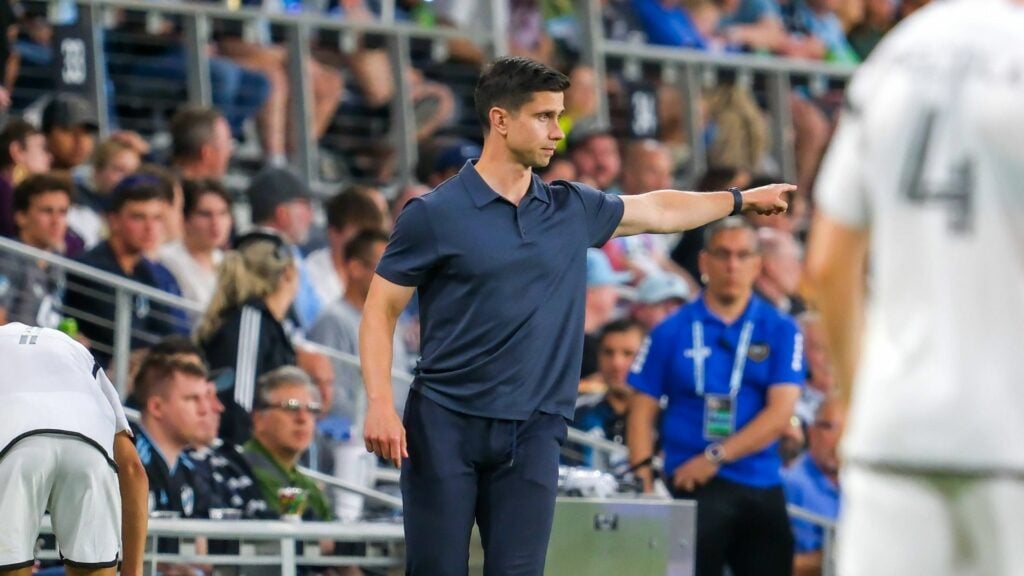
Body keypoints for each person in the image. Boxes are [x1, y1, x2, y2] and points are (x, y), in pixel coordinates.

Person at [359, 56, 792, 575]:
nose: (557, 133)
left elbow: (658, 209)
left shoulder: (571, 208)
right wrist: (380, 403)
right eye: (544, 117)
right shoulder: (433, 214)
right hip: (445, 423)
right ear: (500, 120)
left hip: (537, 428)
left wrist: (741, 200)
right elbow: (379, 311)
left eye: (559, 117)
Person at [804, 2, 1024, 574]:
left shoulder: (893, 58)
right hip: (1009, 438)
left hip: (893, 433)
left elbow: (827, 262)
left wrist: (856, 393)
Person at [627, 217, 805, 576]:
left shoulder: (781, 328)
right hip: (688, 486)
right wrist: (645, 484)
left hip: (757, 481)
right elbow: (640, 411)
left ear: (758, 264)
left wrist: (715, 457)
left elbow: (780, 412)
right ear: (704, 262)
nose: (732, 265)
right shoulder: (671, 330)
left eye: (743, 255)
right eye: (723, 254)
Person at [0, 323, 148, 576]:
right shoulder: (78, 353)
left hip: (12, 443)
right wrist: (133, 571)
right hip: (89, 450)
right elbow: (133, 469)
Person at [63, 174, 189, 366]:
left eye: (157, 218)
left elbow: (174, 331)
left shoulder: (147, 269)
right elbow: (123, 338)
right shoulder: (91, 269)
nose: (150, 228)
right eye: (139, 217)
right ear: (113, 220)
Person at [243, 366, 332, 522]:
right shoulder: (242, 472)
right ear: (259, 420)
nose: (303, 419)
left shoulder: (306, 484)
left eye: (311, 409)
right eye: (291, 407)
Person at [571, 318, 646, 469]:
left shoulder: (666, 419)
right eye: (608, 352)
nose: (616, 363)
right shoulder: (577, 415)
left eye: (628, 353)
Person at [0, 172, 71, 328]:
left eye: (63, 212)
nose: (56, 221)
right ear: (21, 217)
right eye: (47, 211)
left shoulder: (58, 258)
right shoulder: (7, 258)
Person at [782, 397, 843, 576]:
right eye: (831, 427)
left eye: (849, 429)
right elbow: (779, 564)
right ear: (811, 431)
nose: (840, 439)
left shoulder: (860, 487)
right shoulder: (790, 485)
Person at [159, 179, 233, 312]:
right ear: (186, 219)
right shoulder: (166, 259)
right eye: (205, 214)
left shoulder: (226, 262)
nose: (216, 223)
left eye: (223, 213)